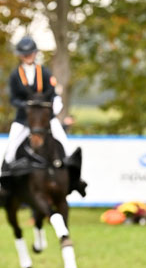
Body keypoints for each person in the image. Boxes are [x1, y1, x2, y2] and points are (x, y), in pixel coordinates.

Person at [0, 36, 87, 197]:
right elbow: (14, 99)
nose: (28, 57)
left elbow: (53, 93)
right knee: (10, 149)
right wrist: (26, 106)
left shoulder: (45, 72)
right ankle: (4, 185)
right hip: (24, 120)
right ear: (20, 55)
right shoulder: (15, 76)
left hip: (46, 120)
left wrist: (56, 103)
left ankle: (76, 180)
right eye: (25, 54)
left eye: (30, 53)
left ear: (34, 54)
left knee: (65, 145)